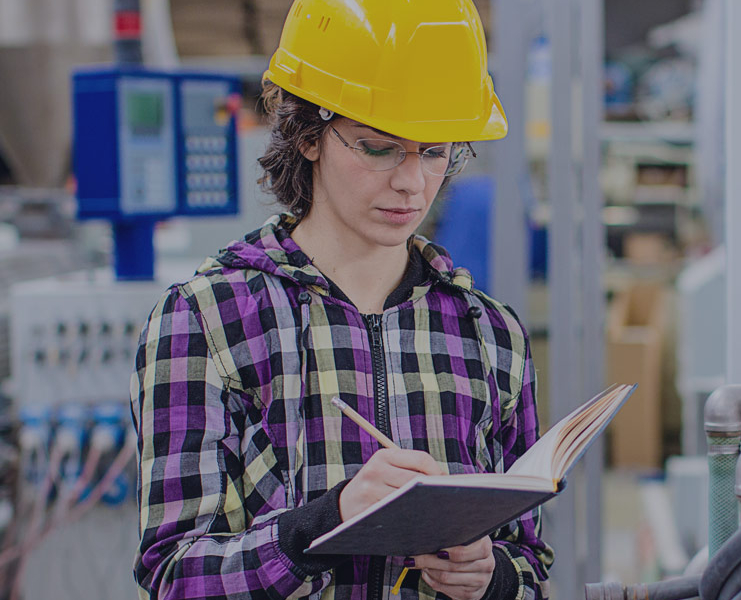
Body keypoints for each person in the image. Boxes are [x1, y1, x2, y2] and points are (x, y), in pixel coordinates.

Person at [130, 1, 550, 599]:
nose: (412, 182)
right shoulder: (206, 322)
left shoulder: (489, 334)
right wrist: (323, 524)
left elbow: (530, 563)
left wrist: (491, 577)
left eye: (435, 152)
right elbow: (174, 576)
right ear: (307, 135)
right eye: (380, 147)